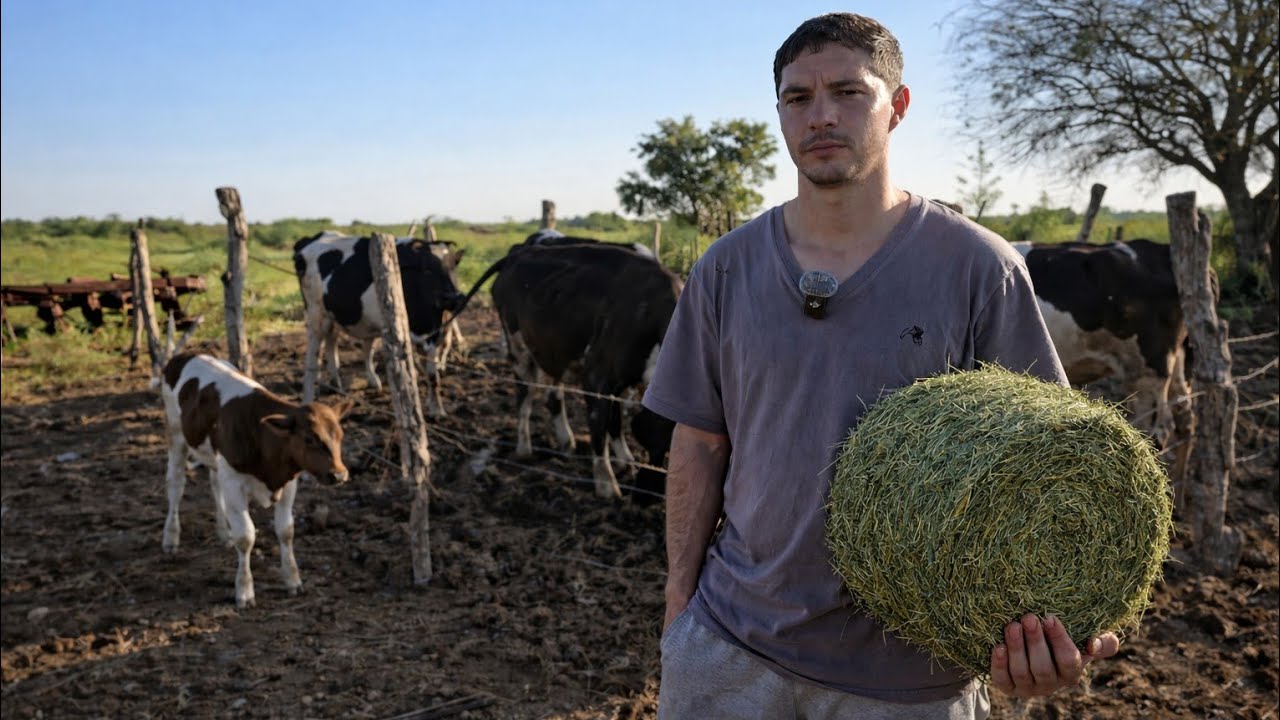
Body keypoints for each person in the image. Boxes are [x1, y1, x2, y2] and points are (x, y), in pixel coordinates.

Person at [641, 12, 1121, 719]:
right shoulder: (726, 268)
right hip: (728, 653)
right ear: (779, 113)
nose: (821, 116)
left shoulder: (978, 269)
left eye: (848, 92)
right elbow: (700, 441)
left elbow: (1048, 471)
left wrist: (1039, 636)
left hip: (908, 684)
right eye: (798, 98)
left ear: (897, 107)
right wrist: (681, 605)